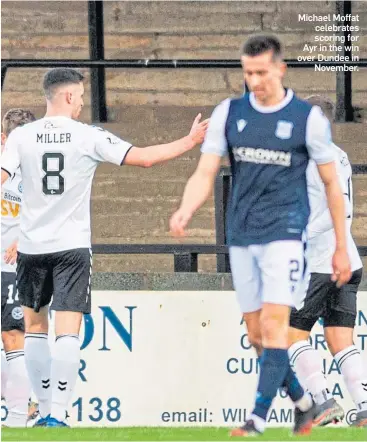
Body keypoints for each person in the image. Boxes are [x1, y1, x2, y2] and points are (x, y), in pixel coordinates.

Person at [0, 67, 209, 428]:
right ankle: (57, 416)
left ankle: (41, 409)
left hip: (31, 248)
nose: (82, 101)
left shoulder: (22, 137)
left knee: (34, 329)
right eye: (80, 95)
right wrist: (189, 142)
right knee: (67, 330)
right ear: (67, 96)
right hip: (72, 248)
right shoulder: (87, 136)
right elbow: (144, 158)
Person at [170, 34, 351, 437]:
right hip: (242, 234)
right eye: (248, 72)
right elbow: (205, 171)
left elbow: (331, 184)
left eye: (261, 72)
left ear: (280, 69)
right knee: (256, 335)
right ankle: (304, 403)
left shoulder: (308, 118)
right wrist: (186, 208)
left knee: (274, 326)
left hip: (286, 234)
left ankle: (258, 419)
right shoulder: (229, 113)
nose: (254, 80)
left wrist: (341, 244)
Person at [288, 95, 366, 428]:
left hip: (318, 262)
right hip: (347, 258)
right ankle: (363, 405)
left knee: (290, 333)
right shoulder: (339, 155)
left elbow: (324, 214)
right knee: (339, 339)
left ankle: (322, 401)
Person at [1, 109, 36, 427]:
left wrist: (21, 241)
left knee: (13, 337)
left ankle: (16, 417)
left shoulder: (37, 175)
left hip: (14, 269)